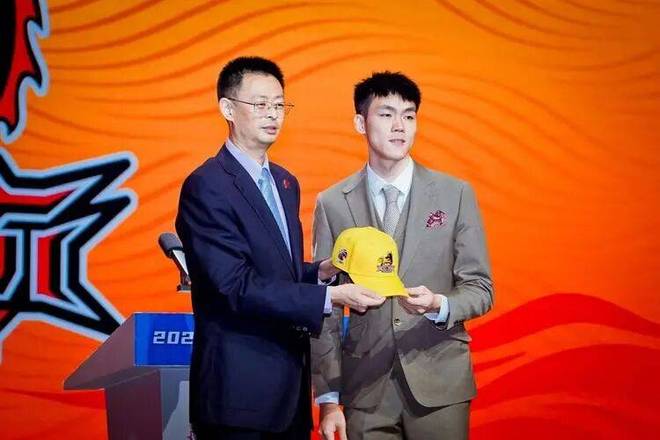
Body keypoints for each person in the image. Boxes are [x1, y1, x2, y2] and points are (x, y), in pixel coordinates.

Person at [175, 56, 384, 440]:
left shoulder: (285, 183)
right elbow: (233, 286)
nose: (272, 114)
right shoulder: (207, 185)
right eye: (260, 104)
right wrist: (329, 297)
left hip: (289, 393)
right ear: (227, 109)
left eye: (279, 104)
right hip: (237, 396)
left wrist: (318, 272)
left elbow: (276, 272)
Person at [311, 71, 494, 440]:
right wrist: (329, 399)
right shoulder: (332, 203)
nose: (400, 126)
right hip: (365, 388)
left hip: (440, 382)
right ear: (360, 123)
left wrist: (440, 304)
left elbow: (480, 288)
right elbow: (325, 306)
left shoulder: (455, 194)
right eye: (387, 114)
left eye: (409, 116)